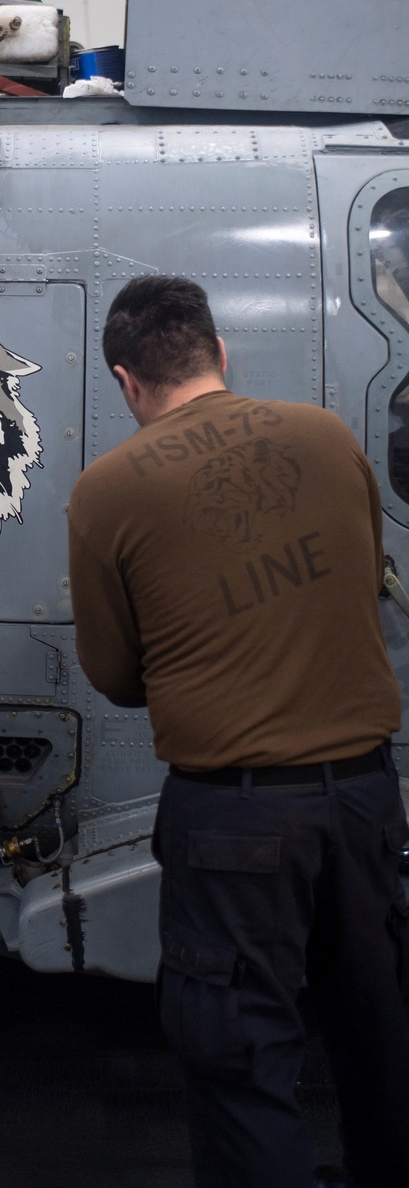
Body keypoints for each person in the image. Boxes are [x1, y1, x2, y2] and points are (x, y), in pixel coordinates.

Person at [66, 275, 409, 1188]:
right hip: (369, 799)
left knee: (243, 1062)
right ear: (221, 354)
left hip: (237, 823)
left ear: (126, 381)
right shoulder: (331, 437)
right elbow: (361, 585)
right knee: (379, 1037)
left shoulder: (106, 492)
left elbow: (113, 675)